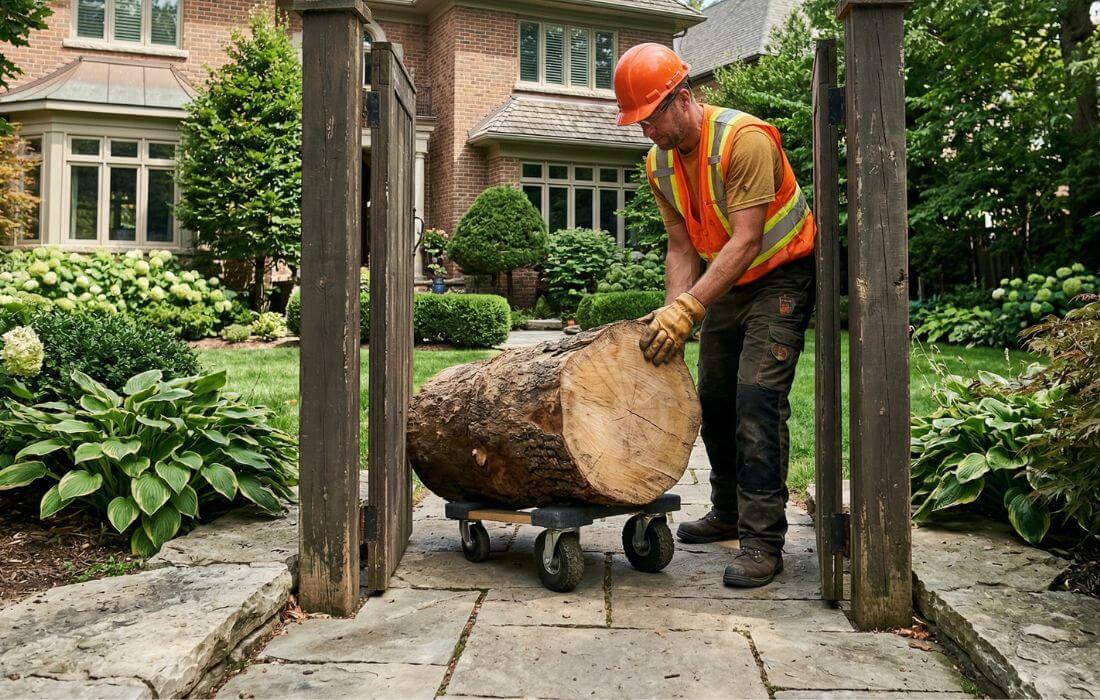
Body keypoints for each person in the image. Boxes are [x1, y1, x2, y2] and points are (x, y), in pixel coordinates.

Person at [613, 43, 816, 588]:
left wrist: (692, 306)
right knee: (714, 395)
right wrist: (675, 314)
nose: (647, 132)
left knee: (757, 395)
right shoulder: (658, 163)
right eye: (638, 122)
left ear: (683, 98)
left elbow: (748, 239)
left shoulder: (743, 140)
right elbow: (681, 247)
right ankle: (727, 508)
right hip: (725, 280)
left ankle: (762, 541)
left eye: (651, 118)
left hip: (780, 273)